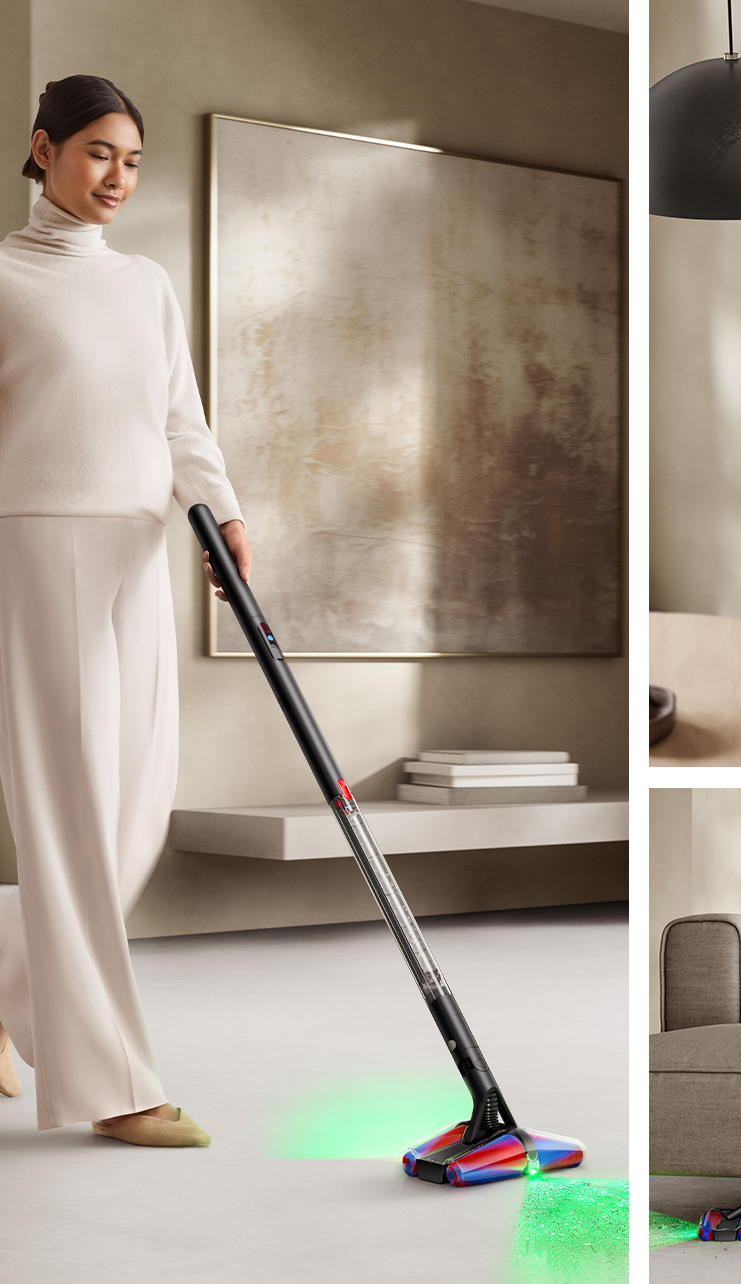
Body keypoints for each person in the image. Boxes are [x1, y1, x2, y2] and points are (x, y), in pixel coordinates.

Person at [0, 75, 249, 1146]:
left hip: (140, 547)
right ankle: (108, 1086)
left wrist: (221, 512)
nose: (118, 177)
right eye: (99, 153)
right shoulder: (1, 277)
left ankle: (7, 991)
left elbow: (179, 417)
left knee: (137, 804)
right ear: (45, 150)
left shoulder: (146, 284)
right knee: (63, 813)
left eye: (134, 160)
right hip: (35, 543)